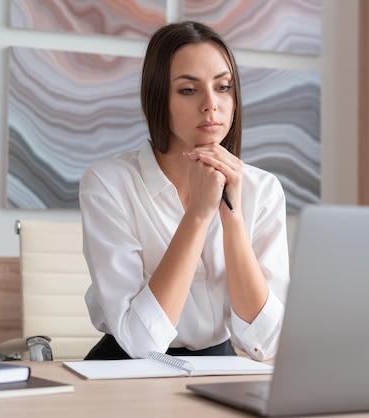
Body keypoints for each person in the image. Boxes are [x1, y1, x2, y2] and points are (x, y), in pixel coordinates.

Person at [79, 21, 290, 361]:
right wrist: (198, 214)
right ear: (159, 98)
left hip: (220, 366)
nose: (211, 104)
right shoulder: (108, 183)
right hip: (125, 369)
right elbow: (139, 342)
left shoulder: (263, 189)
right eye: (189, 90)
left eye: (223, 87)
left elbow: (264, 342)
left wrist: (231, 215)